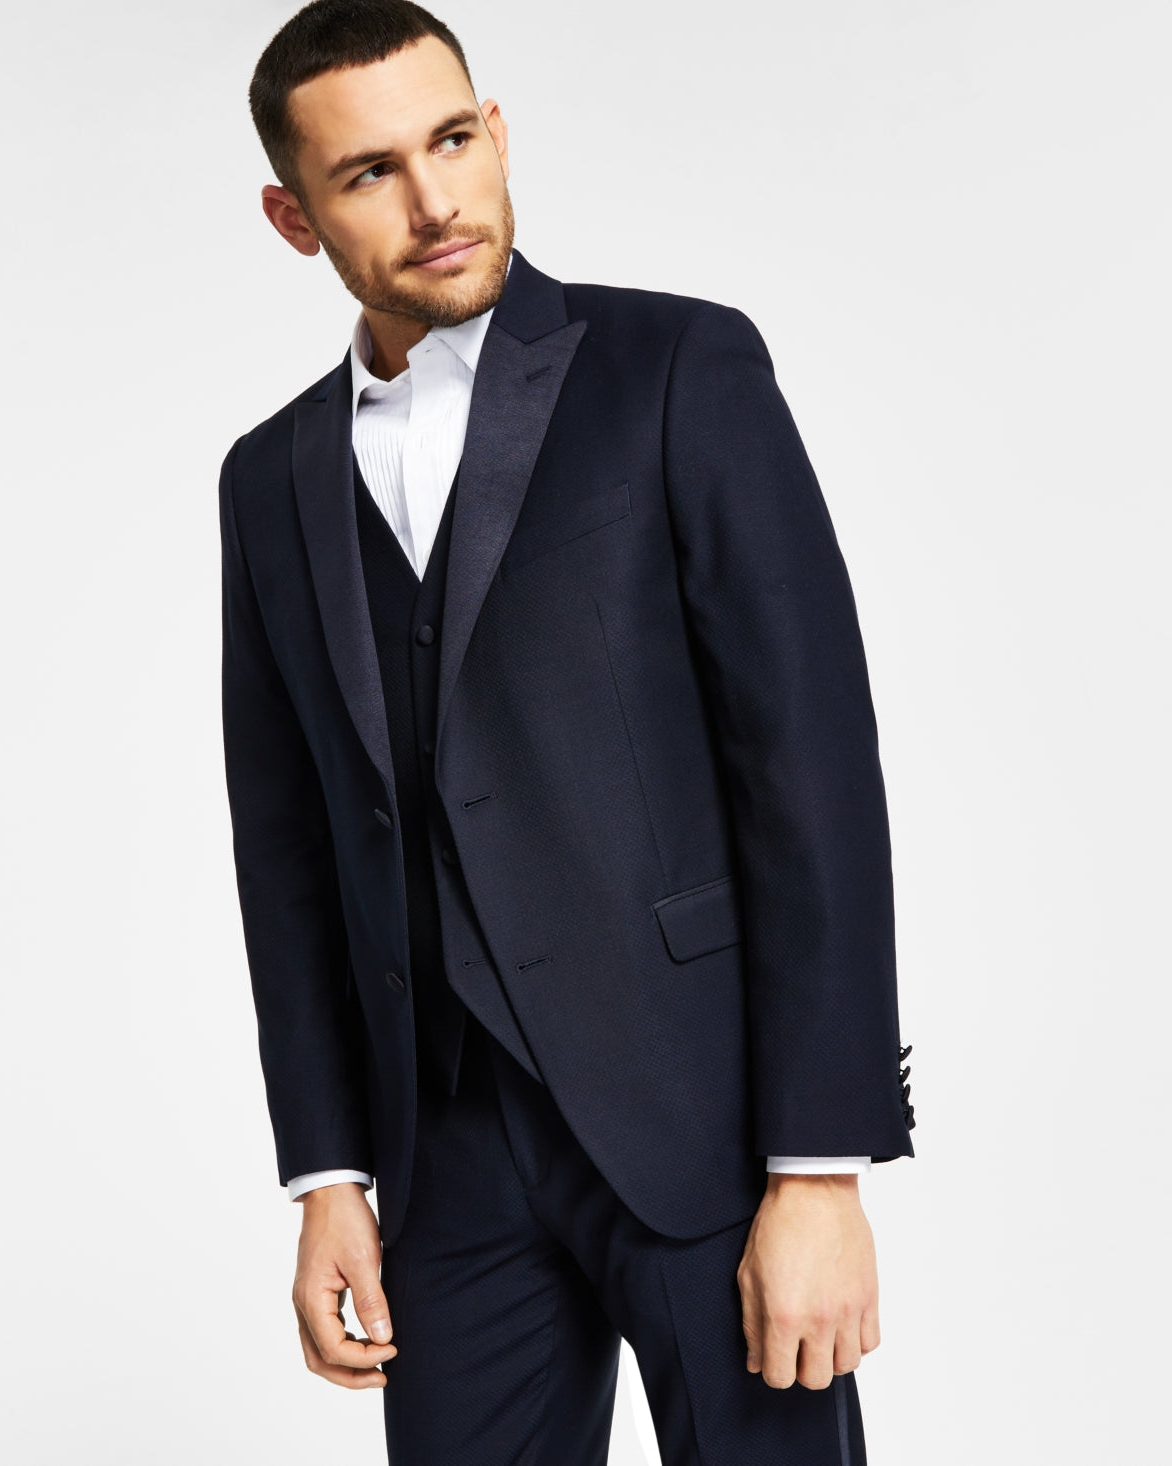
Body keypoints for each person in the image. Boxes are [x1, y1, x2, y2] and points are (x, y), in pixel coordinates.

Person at [220, 1, 916, 1460]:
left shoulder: (677, 366)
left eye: (452, 141)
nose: (434, 202)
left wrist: (820, 1167)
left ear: (497, 133)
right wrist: (329, 1173)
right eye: (369, 173)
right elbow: (285, 849)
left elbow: (809, 769)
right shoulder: (268, 477)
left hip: (705, 1127)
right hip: (445, 1160)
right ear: (293, 217)